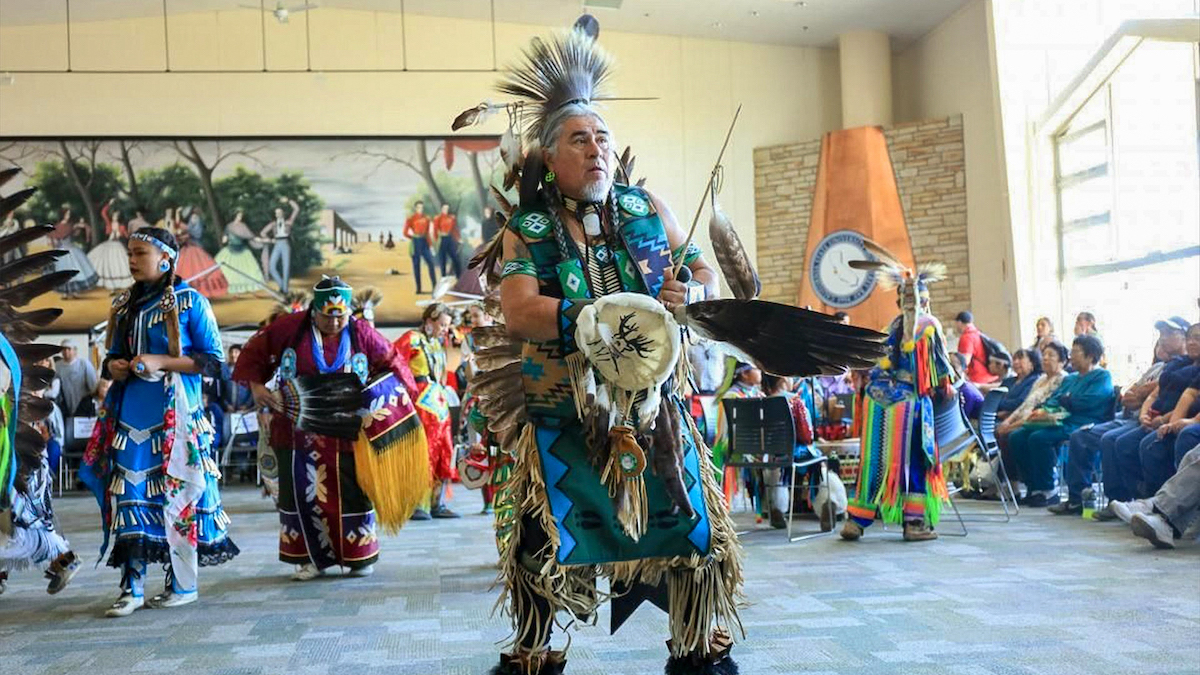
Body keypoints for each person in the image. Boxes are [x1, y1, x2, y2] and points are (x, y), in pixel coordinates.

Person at [466, 26, 745, 675]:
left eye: (603, 138)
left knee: (688, 526)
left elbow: (704, 278)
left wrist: (687, 294)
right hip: (567, 411)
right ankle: (535, 647)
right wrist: (604, 318)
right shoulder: (527, 230)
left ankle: (697, 642)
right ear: (550, 155)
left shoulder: (649, 207)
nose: (596, 150)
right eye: (579, 139)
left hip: (660, 409)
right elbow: (519, 310)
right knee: (544, 530)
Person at [79, 227, 238, 617]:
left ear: (165, 259)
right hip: (130, 416)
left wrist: (162, 361)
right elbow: (112, 356)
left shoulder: (189, 302)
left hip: (176, 418)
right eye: (130, 253)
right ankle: (131, 587)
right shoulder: (122, 305)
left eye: (140, 253)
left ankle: (182, 583)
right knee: (129, 497)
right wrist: (115, 366)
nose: (131, 260)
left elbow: (214, 362)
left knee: (177, 495)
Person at [233, 277, 425, 580]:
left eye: (341, 315)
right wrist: (257, 387)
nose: (335, 322)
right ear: (314, 311)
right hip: (297, 431)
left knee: (353, 491)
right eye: (327, 316)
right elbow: (255, 351)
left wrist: (397, 403)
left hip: (347, 432)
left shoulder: (361, 332)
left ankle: (358, 557)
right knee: (301, 494)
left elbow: (393, 362)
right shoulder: (289, 328)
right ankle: (308, 559)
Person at [843, 263, 957, 542]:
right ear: (925, 300)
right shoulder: (929, 326)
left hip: (876, 403)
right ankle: (914, 523)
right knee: (916, 459)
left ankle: (856, 522)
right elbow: (938, 377)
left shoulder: (890, 326)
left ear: (898, 302)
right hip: (909, 405)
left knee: (874, 461)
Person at [1065, 321, 1185, 519]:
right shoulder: (1156, 367)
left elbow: (1155, 393)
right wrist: (1139, 396)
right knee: (1080, 436)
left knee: (1114, 440)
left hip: (1150, 419)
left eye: (1168, 334)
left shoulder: (1180, 367)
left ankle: (1131, 500)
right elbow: (1129, 395)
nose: (1162, 340)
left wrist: (1142, 398)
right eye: (1160, 335)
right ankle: (1079, 498)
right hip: (1129, 416)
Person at [1008, 335, 1113, 507]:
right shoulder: (1071, 378)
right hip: (1058, 420)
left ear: (1090, 355)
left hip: (1083, 422)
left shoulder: (1101, 376)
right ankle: (1033, 486)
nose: (1071, 355)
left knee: (1039, 438)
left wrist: (1067, 400)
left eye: (1076, 351)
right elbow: (1055, 399)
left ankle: (1049, 489)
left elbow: (1091, 400)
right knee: (1017, 436)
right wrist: (1053, 406)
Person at [393, 302, 459, 520]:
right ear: (429, 320)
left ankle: (436, 503)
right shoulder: (412, 338)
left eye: (447, 326)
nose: (444, 329)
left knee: (444, 450)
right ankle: (416, 504)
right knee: (423, 451)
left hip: (438, 404)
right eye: (442, 324)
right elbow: (392, 359)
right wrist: (406, 387)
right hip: (420, 401)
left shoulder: (437, 345)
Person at [173, 206, 229, 299]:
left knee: (198, 267)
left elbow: (196, 233)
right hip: (188, 246)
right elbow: (180, 225)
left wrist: (186, 233)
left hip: (194, 246)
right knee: (185, 267)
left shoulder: (195, 218)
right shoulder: (193, 219)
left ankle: (201, 291)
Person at [46, 207, 99, 298]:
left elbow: (75, 233)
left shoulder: (70, 225)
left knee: (74, 269)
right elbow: (53, 238)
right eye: (67, 214)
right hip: (62, 250)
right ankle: (65, 293)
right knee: (63, 271)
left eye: (69, 214)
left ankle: (73, 291)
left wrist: (80, 226)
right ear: (62, 215)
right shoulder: (58, 226)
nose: (68, 216)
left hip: (71, 250)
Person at [215, 209, 268, 295]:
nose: (240, 218)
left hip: (242, 250)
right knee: (227, 271)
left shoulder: (243, 226)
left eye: (241, 216)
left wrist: (261, 240)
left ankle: (250, 289)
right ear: (234, 216)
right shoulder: (229, 226)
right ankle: (234, 290)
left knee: (250, 270)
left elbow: (251, 236)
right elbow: (224, 239)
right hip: (230, 250)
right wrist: (225, 238)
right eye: (239, 216)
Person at [88, 199, 134, 291]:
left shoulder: (121, 226)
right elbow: (103, 213)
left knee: (119, 264)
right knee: (107, 263)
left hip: (117, 245)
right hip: (109, 244)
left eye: (117, 215)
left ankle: (119, 284)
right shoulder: (109, 223)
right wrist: (109, 204)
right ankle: (111, 286)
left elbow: (126, 235)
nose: (115, 216)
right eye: (114, 215)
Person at [258, 198, 300, 293]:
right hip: (277, 243)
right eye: (277, 213)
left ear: (283, 213)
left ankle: (284, 290)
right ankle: (282, 286)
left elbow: (296, 209)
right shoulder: (273, 224)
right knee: (272, 267)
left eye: (280, 212)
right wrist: (270, 240)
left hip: (285, 243)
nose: (278, 214)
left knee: (286, 267)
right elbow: (262, 232)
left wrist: (289, 200)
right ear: (275, 214)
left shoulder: (288, 222)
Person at [54, 339, 98, 417]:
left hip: (84, 406)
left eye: (69, 349)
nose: (66, 352)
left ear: (75, 350)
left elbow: (93, 387)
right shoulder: (57, 366)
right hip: (66, 407)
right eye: (64, 349)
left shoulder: (84, 364)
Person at [995, 348, 1042, 420]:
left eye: (1020, 358)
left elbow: (1021, 402)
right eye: (1014, 359)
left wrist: (1002, 407)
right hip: (997, 416)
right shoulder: (1008, 381)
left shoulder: (1035, 380)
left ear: (1032, 363)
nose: (1016, 362)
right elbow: (995, 398)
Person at [403, 200, 438, 294]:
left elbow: (427, 233)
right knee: (416, 266)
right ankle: (418, 289)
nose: (420, 209)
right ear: (415, 208)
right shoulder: (411, 218)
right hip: (415, 242)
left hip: (424, 242)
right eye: (419, 207)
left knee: (431, 263)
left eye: (422, 207)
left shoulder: (427, 218)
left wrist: (430, 245)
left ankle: (435, 286)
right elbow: (405, 232)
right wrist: (413, 238)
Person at [955, 310, 997, 386]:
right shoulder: (977, 333)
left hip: (977, 379)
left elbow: (964, 361)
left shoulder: (967, 337)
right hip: (988, 376)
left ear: (959, 323)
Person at [434, 203, 463, 277]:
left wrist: (458, 238)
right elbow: (435, 230)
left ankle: (458, 276)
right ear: (442, 209)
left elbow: (454, 230)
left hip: (450, 239)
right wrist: (436, 241)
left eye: (447, 208)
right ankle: (443, 277)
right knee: (442, 260)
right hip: (442, 240)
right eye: (444, 208)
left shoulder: (452, 218)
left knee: (455, 258)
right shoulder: (438, 218)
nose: (446, 210)